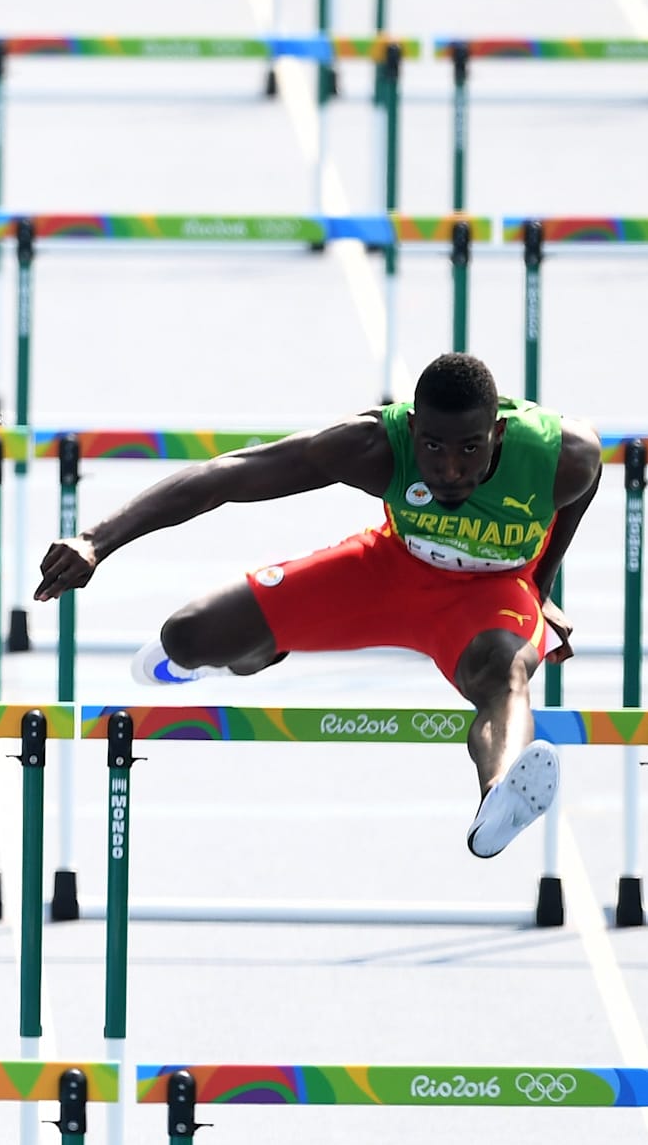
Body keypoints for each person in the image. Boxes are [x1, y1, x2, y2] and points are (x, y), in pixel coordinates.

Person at [36, 352, 597, 859]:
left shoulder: (563, 454)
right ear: (411, 428)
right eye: (433, 447)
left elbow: (579, 490)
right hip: (388, 574)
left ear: (497, 431)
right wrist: (97, 540)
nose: (451, 469)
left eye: (470, 449)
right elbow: (223, 478)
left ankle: (499, 795)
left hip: (489, 597)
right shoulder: (371, 446)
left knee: (504, 672)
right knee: (187, 637)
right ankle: (257, 653)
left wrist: (538, 588)